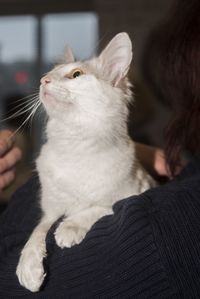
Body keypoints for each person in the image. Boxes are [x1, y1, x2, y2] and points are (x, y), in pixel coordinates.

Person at [0, 0, 200, 297]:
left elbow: (10, 285)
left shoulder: (170, 230)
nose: (46, 80)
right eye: (54, 73)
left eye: (76, 74)